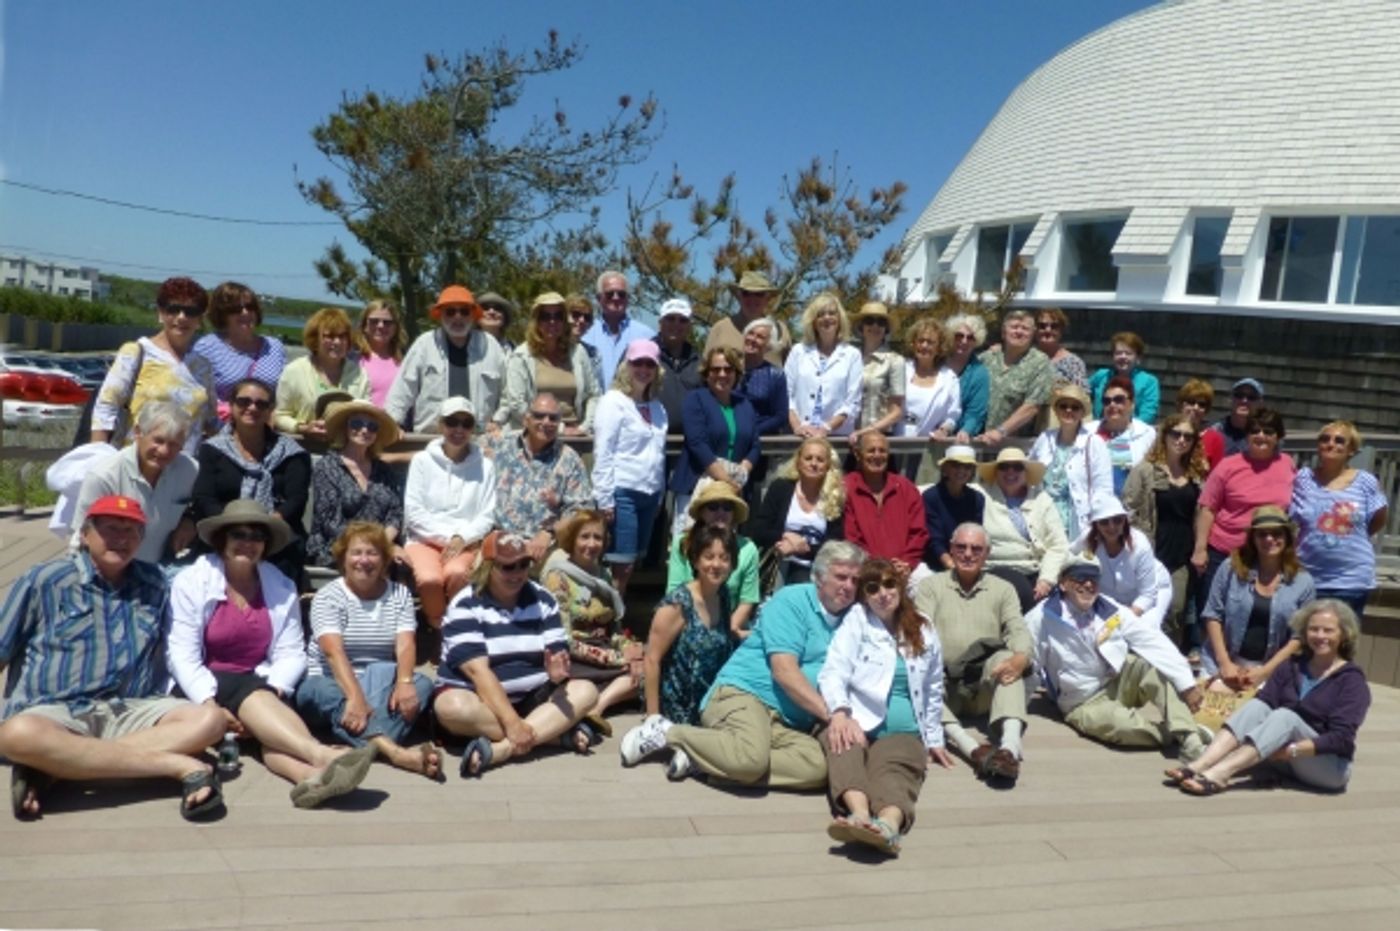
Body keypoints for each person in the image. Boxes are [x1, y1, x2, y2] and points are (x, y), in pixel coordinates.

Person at [0, 496, 227, 821]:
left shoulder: (156, 583)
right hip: (56, 711)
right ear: (87, 534)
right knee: (16, 734)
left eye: (131, 531)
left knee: (211, 719)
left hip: (129, 708)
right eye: (110, 530)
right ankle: (180, 765)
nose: (121, 539)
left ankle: (55, 769)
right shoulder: (46, 580)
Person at [169, 500, 378, 808]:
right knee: (257, 700)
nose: (248, 543)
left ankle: (308, 778)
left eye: (257, 537)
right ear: (221, 539)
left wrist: (275, 688)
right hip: (202, 682)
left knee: (270, 725)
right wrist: (209, 705)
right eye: (238, 534)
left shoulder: (279, 584)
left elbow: (291, 651)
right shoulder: (192, 580)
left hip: (260, 683)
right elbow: (181, 655)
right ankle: (321, 754)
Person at [619, 541, 865, 787]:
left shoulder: (855, 618)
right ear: (820, 577)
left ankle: (705, 758)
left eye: (855, 581)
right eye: (841, 577)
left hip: (785, 721)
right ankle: (665, 732)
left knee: (816, 766)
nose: (848, 586)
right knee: (750, 761)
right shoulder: (793, 600)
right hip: (744, 695)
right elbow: (784, 671)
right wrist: (833, 715)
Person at [434, 532, 600, 777]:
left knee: (586, 691)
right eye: (508, 566)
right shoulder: (465, 604)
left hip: (533, 697)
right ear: (488, 567)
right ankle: (550, 734)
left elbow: (556, 650)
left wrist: (556, 674)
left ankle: (502, 749)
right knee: (450, 707)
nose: (517, 573)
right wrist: (512, 723)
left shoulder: (543, 599)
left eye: (524, 564)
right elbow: (478, 673)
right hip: (480, 700)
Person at [820, 558, 951, 858]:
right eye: (873, 587)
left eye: (890, 584)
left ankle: (888, 827)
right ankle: (859, 815)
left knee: (896, 772)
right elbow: (834, 670)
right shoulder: (858, 620)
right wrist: (840, 712)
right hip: (859, 721)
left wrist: (933, 740)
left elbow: (932, 688)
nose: (883, 593)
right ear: (864, 594)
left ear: (901, 587)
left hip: (904, 728)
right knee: (842, 745)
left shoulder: (923, 627)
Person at [1172, 600, 1369, 795]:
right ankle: (1199, 765)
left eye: (1328, 630)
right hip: (1282, 761)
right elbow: (1264, 703)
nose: (1319, 636)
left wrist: (1291, 751)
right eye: (1313, 629)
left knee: (1285, 716)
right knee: (1258, 705)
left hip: (1327, 768)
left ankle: (1220, 773)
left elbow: (1341, 740)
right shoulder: (1292, 666)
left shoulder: (1351, 681)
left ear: (1344, 634)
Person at [1026, 555, 1208, 761]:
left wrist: (1187, 683)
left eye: (1093, 578)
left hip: (1118, 679)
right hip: (1082, 701)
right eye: (1080, 577)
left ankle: (1190, 739)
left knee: (1152, 667)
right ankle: (1178, 733)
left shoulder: (1110, 608)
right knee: (1124, 728)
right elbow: (1026, 664)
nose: (1088, 584)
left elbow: (1151, 640)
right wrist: (1010, 720)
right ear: (1063, 583)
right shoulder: (1041, 617)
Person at [296, 522, 440, 780]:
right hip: (332, 683)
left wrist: (405, 682)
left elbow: (406, 643)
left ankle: (361, 741)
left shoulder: (400, 594)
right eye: (356, 553)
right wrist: (355, 697)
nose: (364, 560)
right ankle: (396, 753)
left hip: (377, 685)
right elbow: (333, 653)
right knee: (321, 691)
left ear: (385, 560)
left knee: (422, 685)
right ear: (343, 558)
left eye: (372, 553)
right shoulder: (328, 597)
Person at [912, 523, 1030, 783]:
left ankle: (1009, 749)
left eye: (976, 549)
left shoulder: (1003, 589)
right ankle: (971, 748)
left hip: (983, 687)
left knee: (1006, 660)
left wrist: (1021, 656)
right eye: (961, 547)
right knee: (916, 680)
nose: (968, 554)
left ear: (987, 553)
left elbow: (1017, 629)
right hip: (944, 689)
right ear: (951, 550)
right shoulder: (931, 586)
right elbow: (920, 631)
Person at [190, 377, 310, 584]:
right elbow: (204, 497)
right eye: (244, 401)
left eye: (261, 404)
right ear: (231, 405)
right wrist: (234, 531)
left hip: (276, 539)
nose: (252, 408)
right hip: (223, 535)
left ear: (270, 409)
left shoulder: (293, 453)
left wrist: (265, 530)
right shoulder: (211, 449)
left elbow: (297, 500)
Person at [92, 276, 219, 457]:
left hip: (183, 471)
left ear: (200, 319)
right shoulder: (136, 352)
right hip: (136, 464)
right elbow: (106, 408)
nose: (182, 317)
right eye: (173, 309)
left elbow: (210, 420)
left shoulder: (202, 366)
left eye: (191, 311)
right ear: (160, 313)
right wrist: (96, 459)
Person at [402, 397, 497, 628]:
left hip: (466, 542)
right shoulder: (422, 461)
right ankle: (438, 626)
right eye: (452, 422)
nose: (459, 429)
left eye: (466, 423)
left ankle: (455, 627)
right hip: (424, 539)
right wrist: (448, 538)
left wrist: (462, 538)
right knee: (429, 579)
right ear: (441, 425)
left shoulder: (486, 466)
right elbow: (414, 511)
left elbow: (487, 513)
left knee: (456, 574)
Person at [642, 524, 741, 745]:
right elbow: (651, 659)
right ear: (696, 561)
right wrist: (652, 718)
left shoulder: (723, 596)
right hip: (678, 708)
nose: (716, 564)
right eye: (709, 557)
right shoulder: (678, 603)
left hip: (710, 702)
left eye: (724, 558)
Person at [540, 510, 638, 730]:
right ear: (572, 539)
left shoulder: (603, 576)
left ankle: (597, 707)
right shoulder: (558, 578)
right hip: (574, 654)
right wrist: (616, 658)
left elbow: (614, 628)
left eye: (598, 537)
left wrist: (629, 648)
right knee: (625, 674)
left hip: (603, 648)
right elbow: (563, 639)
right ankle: (598, 699)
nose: (591, 544)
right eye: (584, 536)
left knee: (646, 669)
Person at [1201, 506, 1316, 691]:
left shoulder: (1303, 582)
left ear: (1287, 538)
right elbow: (1213, 615)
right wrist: (1225, 663)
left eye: (1277, 533)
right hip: (1225, 660)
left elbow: (1299, 637)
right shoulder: (1230, 568)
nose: (1269, 539)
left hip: (1272, 667)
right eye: (1262, 534)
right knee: (1216, 702)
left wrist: (1264, 672)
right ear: (1252, 539)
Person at [70, 401, 198, 568]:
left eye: (174, 445)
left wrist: (189, 520)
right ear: (138, 433)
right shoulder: (104, 476)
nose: (164, 451)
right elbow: (81, 535)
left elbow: (196, 506)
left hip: (162, 567)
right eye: (158, 441)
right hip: (112, 571)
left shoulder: (190, 470)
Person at [1192, 406, 1295, 609]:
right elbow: (1207, 508)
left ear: (1278, 436)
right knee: (1213, 611)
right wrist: (1200, 549)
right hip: (1224, 553)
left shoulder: (1288, 464)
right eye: (1255, 431)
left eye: (1268, 432)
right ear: (1247, 436)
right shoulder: (1228, 465)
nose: (1261, 436)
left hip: (1267, 555)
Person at [1123, 413, 1209, 654]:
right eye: (1176, 434)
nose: (1181, 440)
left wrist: (1200, 548)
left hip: (1182, 554)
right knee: (1145, 610)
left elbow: (1202, 512)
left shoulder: (1196, 475)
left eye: (1188, 437)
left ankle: (1168, 662)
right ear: (1165, 435)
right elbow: (1128, 508)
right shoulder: (1144, 471)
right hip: (1151, 551)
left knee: (1176, 611)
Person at [591, 339, 668, 599]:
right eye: (638, 363)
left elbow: (659, 454)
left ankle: (615, 614)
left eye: (650, 364)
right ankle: (611, 622)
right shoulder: (613, 401)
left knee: (632, 562)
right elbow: (603, 451)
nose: (644, 369)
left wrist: (659, 494)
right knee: (620, 564)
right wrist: (604, 498)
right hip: (622, 491)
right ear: (627, 365)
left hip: (649, 493)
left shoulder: (658, 408)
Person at [1291, 421, 1389, 618]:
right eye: (1325, 439)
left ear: (1351, 450)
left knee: (1341, 642)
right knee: (1304, 640)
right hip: (1308, 576)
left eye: (1339, 440)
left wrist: (1354, 536)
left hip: (1351, 579)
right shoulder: (1303, 478)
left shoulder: (1365, 481)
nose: (1331, 444)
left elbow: (1379, 517)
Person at [481, 392, 593, 564]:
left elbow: (581, 509)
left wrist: (550, 532)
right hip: (499, 540)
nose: (546, 422)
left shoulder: (570, 459)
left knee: (562, 577)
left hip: (546, 547)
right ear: (526, 419)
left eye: (553, 418)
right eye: (539, 416)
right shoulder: (500, 444)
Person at [385, 285, 506, 434]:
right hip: (431, 438)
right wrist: (392, 424)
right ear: (440, 315)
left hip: (477, 439)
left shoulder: (491, 346)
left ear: (473, 315)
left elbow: (508, 391)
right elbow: (403, 388)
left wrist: (498, 420)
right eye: (450, 312)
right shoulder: (424, 344)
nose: (458, 317)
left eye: (464, 311)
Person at [305, 400, 404, 568]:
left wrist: (383, 544)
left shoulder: (384, 470)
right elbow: (329, 521)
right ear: (345, 428)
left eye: (372, 426)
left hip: (379, 548)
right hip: (336, 547)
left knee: (404, 563)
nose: (365, 430)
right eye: (357, 423)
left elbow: (395, 513)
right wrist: (370, 547)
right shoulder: (327, 466)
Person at [672, 346, 760, 532]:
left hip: (734, 488)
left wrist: (743, 471)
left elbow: (755, 444)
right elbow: (697, 443)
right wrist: (727, 481)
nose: (722, 374)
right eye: (716, 369)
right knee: (690, 544)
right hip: (698, 483)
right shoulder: (695, 399)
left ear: (736, 374)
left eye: (728, 369)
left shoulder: (744, 404)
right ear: (706, 373)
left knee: (724, 548)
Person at [978, 447, 1070, 612]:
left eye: (1017, 467)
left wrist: (1046, 579)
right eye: (1004, 467)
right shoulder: (981, 496)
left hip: (1036, 572)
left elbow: (1058, 545)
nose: (1010, 472)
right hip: (996, 570)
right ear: (996, 472)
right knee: (1022, 593)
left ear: (1026, 472)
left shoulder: (1042, 500)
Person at [495, 292, 602, 433]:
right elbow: (516, 404)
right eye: (545, 317)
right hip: (535, 434)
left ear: (564, 321)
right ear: (536, 322)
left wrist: (585, 427)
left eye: (558, 316)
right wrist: (559, 429)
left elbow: (594, 394)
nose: (552, 321)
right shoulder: (521, 356)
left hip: (576, 433)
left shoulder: (578, 352)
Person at [747, 437, 846, 586]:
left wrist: (804, 548)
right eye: (808, 458)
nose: (813, 464)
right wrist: (785, 536)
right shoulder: (781, 488)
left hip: (815, 567)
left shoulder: (834, 495)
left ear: (827, 466)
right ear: (798, 462)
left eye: (820, 460)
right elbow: (759, 530)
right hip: (777, 563)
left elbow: (835, 544)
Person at [666, 482, 761, 637]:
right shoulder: (682, 543)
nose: (720, 512)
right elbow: (674, 591)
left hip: (729, 626)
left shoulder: (748, 549)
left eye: (727, 507)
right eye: (713, 507)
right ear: (702, 512)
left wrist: (724, 633)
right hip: (685, 624)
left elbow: (747, 600)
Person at [843, 431, 930, 585]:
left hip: (905, 568)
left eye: (882, 450)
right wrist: (877, 568)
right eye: (871, 450)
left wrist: (907, 563)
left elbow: (919, 533)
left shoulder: (906, 487)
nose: (877, 455)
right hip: (863, 568)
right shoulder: (846, 487)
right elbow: (851, 538)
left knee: (927, 583)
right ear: (858, 455)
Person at [1029, 383, 1113, 541]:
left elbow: (1103, 488)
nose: (1069, 410)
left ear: (1082, 412)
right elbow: (1029, 472)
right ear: (1056, 410)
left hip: (1076, 520)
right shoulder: (1045, 438)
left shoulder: (1094, 443)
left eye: (1075, 407)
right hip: (1041, 515)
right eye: (1064, 406)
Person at [191, 281, 287, 418]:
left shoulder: (274, 347)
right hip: (221, 429)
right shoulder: (207, 347)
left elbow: (283, 393)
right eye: (236, 309)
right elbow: (193, 392)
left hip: (264, 429)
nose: (245, 312)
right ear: (222, 314)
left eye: (250, 307)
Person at [273, 307, 370, 440]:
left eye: (342, 336)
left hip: (346, 452)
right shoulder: (294, 371)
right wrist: (303, 428)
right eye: (329, 336)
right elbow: (279, 415)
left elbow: (366, 414)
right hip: (304, 448)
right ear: (315, 339)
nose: (337, 342)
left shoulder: (359, 373)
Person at [785, 292, 863, 438]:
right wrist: (798, 427)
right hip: (801, 435)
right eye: (820, 314)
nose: (826, 317)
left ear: (840, 319)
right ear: (813, 321)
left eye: (832, 313)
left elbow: (853, 402)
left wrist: (826, 428)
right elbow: (786, 395)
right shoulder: (798, 351)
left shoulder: (852, 355)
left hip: (836, 436)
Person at [1077, 497, 1165, 625]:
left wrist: (1119, 622)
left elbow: (1148, 595)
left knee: (1147, 629)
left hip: (1153, 591)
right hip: (1112, 600)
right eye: (1104, 522)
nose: (1111, 526)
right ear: (1096, 524)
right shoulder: (1087, 540)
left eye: (1117, 520)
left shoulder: (1140, 545)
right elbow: (1067, 558)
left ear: (1125, 520)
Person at [896, 316, 961, 480]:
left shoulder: (949, 378)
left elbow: (953, 415)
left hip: (928, 451)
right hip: (895, 447)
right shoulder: (900, 368)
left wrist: (944, 430)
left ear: (939, 348)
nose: (924, 346)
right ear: (914, 343)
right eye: (921, 341)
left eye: (930, 342)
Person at [976, 309, 1052, 447]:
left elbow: (1032, 406)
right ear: (1003, 333)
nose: (1019, 332)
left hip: (1013, 446)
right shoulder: (986, 358)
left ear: (1032, 334)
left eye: (1025, 328)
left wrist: (1000, 432)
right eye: (1014, 327)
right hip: (976, 440)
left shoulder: (1040, 362)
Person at [581, 270, 655, 388]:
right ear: (598, 298)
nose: (616, 298)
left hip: (632, 405)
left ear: (628, 298)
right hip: (593, 404)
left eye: (621, 294)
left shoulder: (647, 335)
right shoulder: (584, 333)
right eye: (610, 294)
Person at [705, 269, 790, 366]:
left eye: (759, 294)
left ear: (768, 299)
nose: (752, 299)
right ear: (739, 297)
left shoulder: (781, 331)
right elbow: (705, 370)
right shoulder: (720, 329)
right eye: (746, 293)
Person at [1087, 374, 1155, 495]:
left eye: (1119, 400)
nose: (1112, 405)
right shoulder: (1088, 431)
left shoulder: (1147, 434)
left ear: (1132, 403)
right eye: (1106, 401)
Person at [922, 445, 985, 572]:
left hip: (967, 560)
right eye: (956, 465)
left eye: (967, 467)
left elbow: (976, 535)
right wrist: (951, 565)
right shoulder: (930, 497)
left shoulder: (977, 499)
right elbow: (934, 539)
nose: (961, 470)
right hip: (934, 563)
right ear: (945, 468)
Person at [850, 302, 905, 445]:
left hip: (878, 440)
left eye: (880, 322)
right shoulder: (848, 358)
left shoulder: (895, 361)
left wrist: (866, 431)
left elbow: (897, 411)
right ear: (861, 327)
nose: (875, 326)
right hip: (848, 437)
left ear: (886, 329)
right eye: (869, 321)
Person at [652, 297, 705, 431]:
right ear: (660, 322)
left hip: (690, 441)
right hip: (651, 440)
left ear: (689, 326)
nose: (676, 324)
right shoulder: (644, 357)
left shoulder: (699, 361)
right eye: (670, 318)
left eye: (682, 320)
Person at [1089, 331, 1160, 423]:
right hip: (1099, 429)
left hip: (1133, 432)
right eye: (1118, 353)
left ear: (1138, 358)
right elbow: (1082, 394)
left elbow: (1148, 414)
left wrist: (1128, 430)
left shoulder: (1149, 382)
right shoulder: (1101, 375)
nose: (1123, 357)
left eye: (1128, 353)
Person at [736, 316, 790, 437]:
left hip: (761, 441)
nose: (753, 339)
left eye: (760, 337)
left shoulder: (776, 375)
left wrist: (754, 430)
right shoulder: (728, 369)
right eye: (750, 333)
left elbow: (781, 416)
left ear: (769, 345)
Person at [944, 312, 989, 442]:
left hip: (957, 439)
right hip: (926, 434)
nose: (964, 341)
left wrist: (967, 430)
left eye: (970, 338)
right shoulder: (936, 363)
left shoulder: (980, 373)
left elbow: (976, 413)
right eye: (959, 336)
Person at [1202, 377, 1265, 469]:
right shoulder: (1214, 431)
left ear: (1260, 404)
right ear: (1230, 400)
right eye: (1239, 395)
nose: (1244, 400)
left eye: (1251, 397)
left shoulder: (1266, 436)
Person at [354, 300, 406, 408]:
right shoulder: (352, 359)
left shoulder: (405, 361)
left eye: (387, 322)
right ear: (364, 325)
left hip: (394, 424)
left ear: (395, 328)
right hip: (361, 423)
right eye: (374, 321)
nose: (381, 326)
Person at [1033, 307, 1087, 388]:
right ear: (1035, 329)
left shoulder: (1074, 363)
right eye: (1042, 326)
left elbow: (1081, 395)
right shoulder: (1024, 359)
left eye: (1054, 326)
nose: (1048, 330)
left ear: (1061, 330)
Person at [565, 293, 602, 381]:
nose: (582, 320)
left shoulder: (593, 354)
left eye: (587, 317)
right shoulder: (549, 348)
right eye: (576, 315)